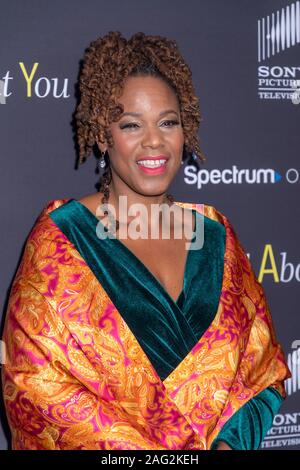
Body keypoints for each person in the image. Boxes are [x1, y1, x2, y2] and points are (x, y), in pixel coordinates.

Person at [1, 31, 291, 451]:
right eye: (131, 124)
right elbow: (38, 391)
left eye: (168, 122)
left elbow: (260, 370)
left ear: (184, 130)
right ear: (103, 134)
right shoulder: (63, 240)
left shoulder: (217, 238)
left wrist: (229, 444)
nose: (154, 141)